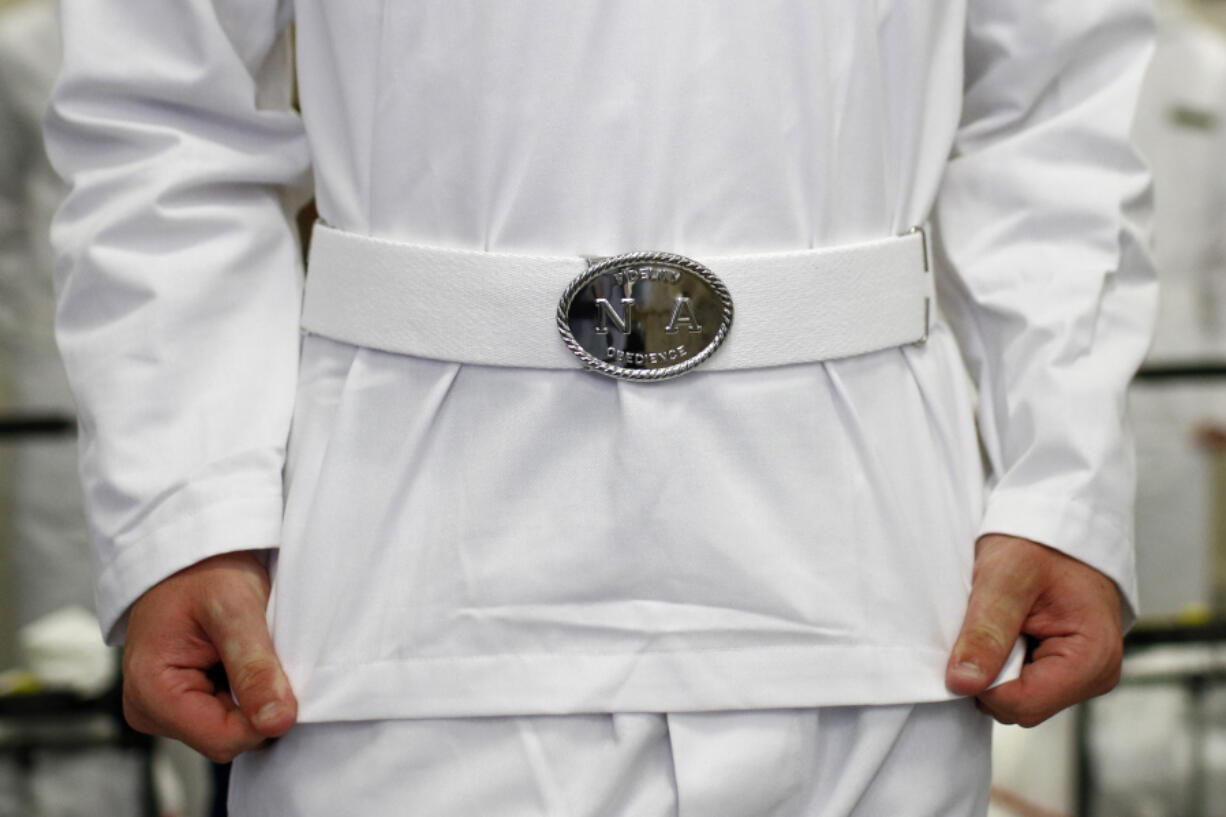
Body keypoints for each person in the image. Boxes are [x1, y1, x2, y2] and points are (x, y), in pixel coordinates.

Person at [44, 1, 1156, 814]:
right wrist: (189, 511)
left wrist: (1060, 478)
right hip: (410, 596)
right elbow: (166, 115)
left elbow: (1053, 111)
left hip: (867, 594)